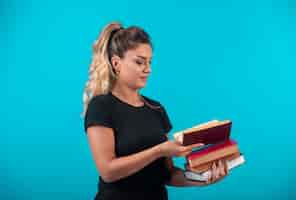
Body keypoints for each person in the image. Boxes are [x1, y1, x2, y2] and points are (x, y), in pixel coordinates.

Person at [81, 21, 228, 200]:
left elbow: (168, 174)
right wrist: (159, 150)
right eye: (139, 62)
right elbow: (108, 171)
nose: (148, 69)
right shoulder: (101, 106)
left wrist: (204, 178)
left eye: (150, 62)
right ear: (116, 63)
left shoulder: (156, 109)